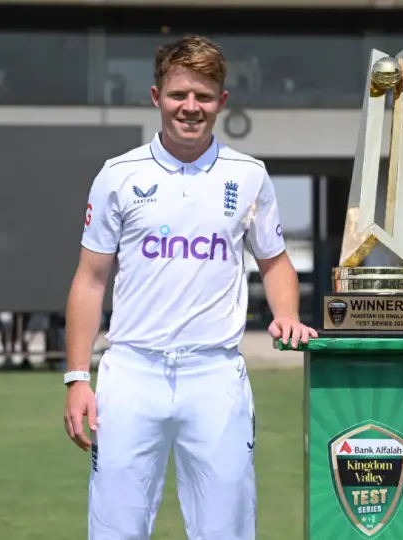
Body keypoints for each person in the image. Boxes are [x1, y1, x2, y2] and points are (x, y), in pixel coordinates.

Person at [61, 35, 317, 540]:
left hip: (214, 374)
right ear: (156, 97)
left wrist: (285, 311)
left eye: (203, 96)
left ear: (221, 102)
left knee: (227, 530)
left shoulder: (248, 175)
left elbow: (275, 261)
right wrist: (76, 377)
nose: (190, 107)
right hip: (132, 372)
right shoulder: (117, 176)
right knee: (115, 530)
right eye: (179, 95)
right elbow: (90, 280)